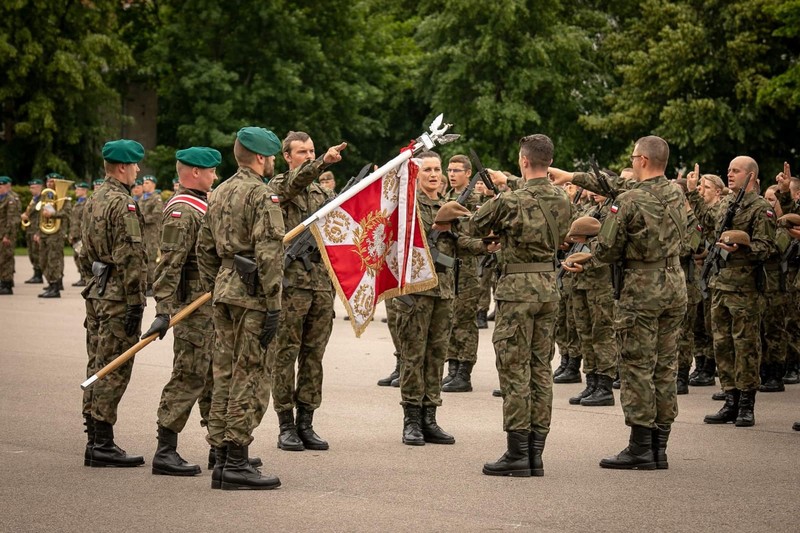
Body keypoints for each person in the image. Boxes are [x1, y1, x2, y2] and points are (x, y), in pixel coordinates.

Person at [197, 127, 345, 490]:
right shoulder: (262, 194)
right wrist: (274, 302)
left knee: (226, 373)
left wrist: (217, 283)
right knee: (251, 376)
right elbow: (268, 251)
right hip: (255, 296)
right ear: (262, 158)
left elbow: (204, 248)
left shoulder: (217, 193)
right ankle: (235, 461)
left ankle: (220, 453)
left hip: (226, 289)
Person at [551, 135, 687, 470]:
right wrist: (572, 176)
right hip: (674, 284)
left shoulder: (629, 201)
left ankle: (640, 447)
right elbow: (616, 185)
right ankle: (659, 446)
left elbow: (609, 248)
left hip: (642, 290)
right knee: (664, 366)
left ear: (640, 159)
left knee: (637, 366)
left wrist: (586, 256)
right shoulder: (676, 193)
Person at [474, 134, 571, 476]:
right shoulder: (562, 198)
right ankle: (535, 453)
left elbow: (476, 224)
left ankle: (517, 454)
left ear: (523, 160)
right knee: (541, 370)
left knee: (515, 372)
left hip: (516, 290)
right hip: (548, 286)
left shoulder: (510, 201)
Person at [143, 147, 221, 477]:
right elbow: (169, 265)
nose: (215, 176)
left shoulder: (204, 204)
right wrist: (163, 310)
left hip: (210, 304)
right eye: (210, 171)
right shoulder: (182, 211)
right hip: (193, 307)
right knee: (189, 374)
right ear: (193, 173)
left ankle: (221, 448)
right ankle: (165, 449)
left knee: (215, 378)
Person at [270, 131, 347, 452]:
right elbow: (295, 184)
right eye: (302, 152)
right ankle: (286, 424)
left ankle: (307, 422)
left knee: (314, 356)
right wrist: (321, 163)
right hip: (291, 287)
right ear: (287, 156)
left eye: (311, 151)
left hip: (319, 284)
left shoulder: (320, 192)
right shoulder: (278, 186)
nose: (308, 155)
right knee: (286, 354)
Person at [79, 139, 148, 468]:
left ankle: (93, 434)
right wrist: (136, 301)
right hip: (119, 294)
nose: (138, 170)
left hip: (97, 290)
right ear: (122, 167)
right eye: (135, 165)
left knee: (96, 362)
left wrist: (93, 282)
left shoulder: (94, 198)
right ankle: (102, 442)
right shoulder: (124, 204)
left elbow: (83, 252)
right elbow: (131, 256)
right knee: (114, 367)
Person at [694, 156, 776, 427]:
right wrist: (695, 194)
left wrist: (743, 248)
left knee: (746, 346)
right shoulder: (728, 203)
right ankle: (730, 399)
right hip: (720, 285)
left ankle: (746, 404)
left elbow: (767, 247)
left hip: (745, 289)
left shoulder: (760, 208)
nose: (730, 174)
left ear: (750, 176)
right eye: (728, 170)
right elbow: (707, 221)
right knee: (722, 345)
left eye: (736, 171)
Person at [395, 151, 459, 446]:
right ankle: (411, 419)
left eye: (437, 169)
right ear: (416, 175)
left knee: (436, 356)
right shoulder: (408, 205)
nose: (434, 174)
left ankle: (430, 417)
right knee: (413, 354)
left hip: (444, 290)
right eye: (427, 170)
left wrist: (484, 245)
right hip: (416, 291)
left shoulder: (449, 205)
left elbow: (462, 243)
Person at [442, 154, 486, 393]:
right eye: (449, 169)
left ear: (468, 173)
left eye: (457, 170)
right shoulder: (447, 197)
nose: (451, 174)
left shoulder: (474, 201)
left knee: (465, 320)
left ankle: (464, 372)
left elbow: (472, 234)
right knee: (450, 318)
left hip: (467, 267)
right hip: (449, 266)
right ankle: (452, 368)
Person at [37, 172, 72, 298]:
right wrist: (38, 232)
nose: (49, 183)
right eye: (48, 181)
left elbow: (67, 214)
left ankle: (55, 287)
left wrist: (53, 215)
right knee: (43, 260)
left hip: (56, 234)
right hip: (45, 233)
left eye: (52, 181)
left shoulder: (64, 198)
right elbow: (40, 216)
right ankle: (51, 283)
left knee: (54, 260)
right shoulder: (46, 196)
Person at [139, 175, 163, 296]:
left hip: (152, 234)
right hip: (142, 234)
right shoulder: (141, 198)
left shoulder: (156, 198)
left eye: (147, 183)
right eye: (144, 183)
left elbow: (157, 215)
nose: (144, 185)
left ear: (153, 185)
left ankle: (151, 284)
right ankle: (144, 283)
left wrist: (141, 219)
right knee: (143, 259)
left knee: (152, 259)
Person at [0, 176, 20, 294]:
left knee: (6, 259)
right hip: (1, 234)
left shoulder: (10, 199)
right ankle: (3, 282)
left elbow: (12, 219)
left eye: (1, 186)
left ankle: (7, 285)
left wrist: (7, 235)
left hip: (6, 235)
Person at [21, 178, 44, 284]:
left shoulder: (42, 200)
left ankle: (39, 275)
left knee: (36, 253)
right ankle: (35, 274)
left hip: (36, 230)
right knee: (31, 253)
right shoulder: (33, 199)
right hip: (30, 229)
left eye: (33, 187)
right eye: (30, 188)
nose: (31, 190)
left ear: (40, 187)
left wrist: (39, 232)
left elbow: (42, 217)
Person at [69, 182, 91, 287]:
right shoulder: (77, 203)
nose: (76, 191)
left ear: (84, 191)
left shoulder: (87, 203)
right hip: (75, 235)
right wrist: (71, 234)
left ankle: (86, 277)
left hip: (82, 235)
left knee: (83, 257)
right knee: (76, 257)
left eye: (78, 189)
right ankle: (82, 277)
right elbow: (73, 221)